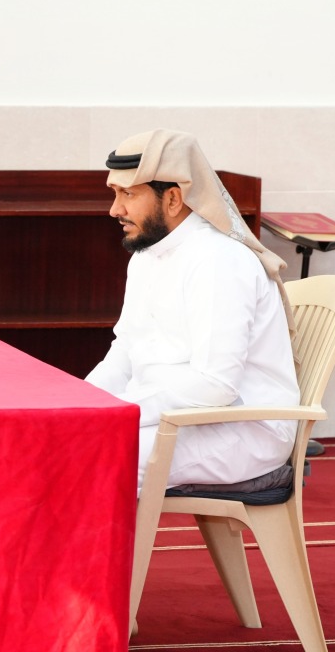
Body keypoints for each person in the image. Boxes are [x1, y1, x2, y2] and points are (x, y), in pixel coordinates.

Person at [85, 129, 300, 493]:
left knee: (95, 459)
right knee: (67, 443)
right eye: (115, 194)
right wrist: (82, 406)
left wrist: (117, 412)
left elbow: (216, 385)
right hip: (172, 418)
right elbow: (124, 351)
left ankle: (92, 554)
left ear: (172, 199)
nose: (114, 209)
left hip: (241, 428)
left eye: (128, 194)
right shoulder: (146, 256)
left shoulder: (219, 260)